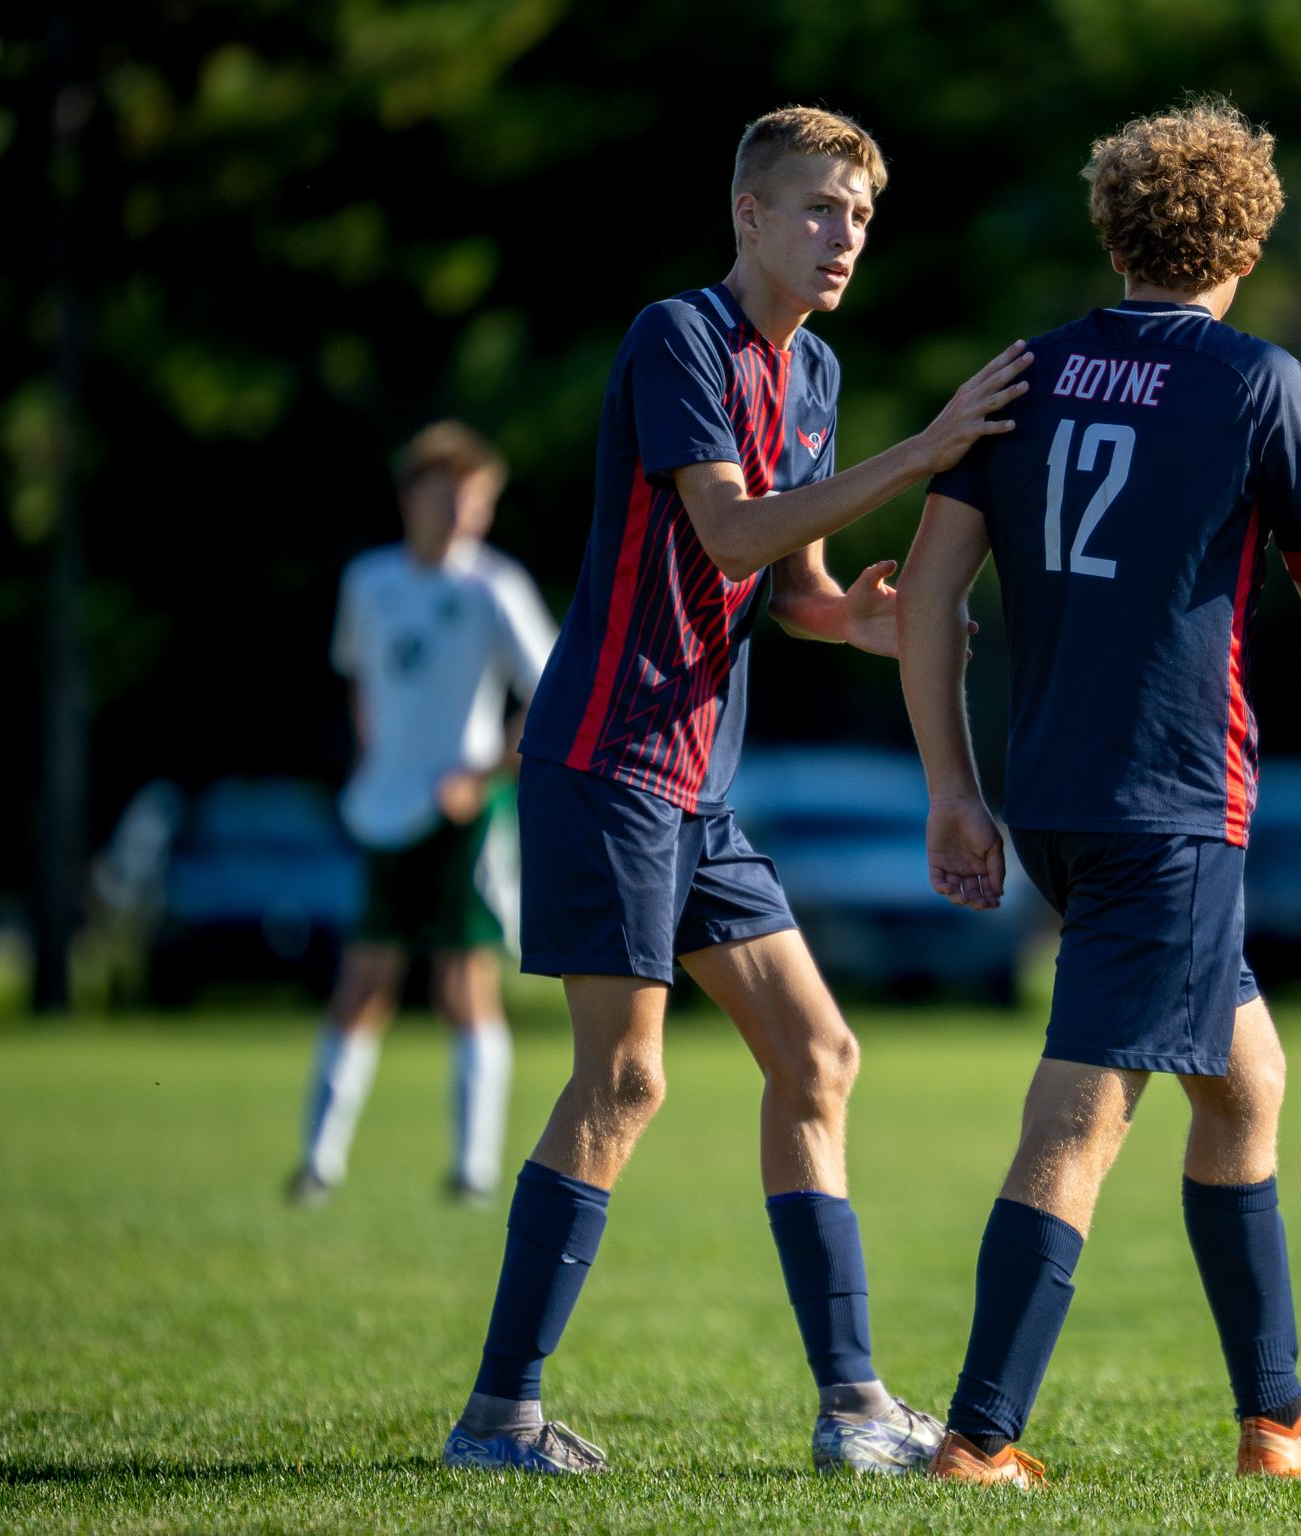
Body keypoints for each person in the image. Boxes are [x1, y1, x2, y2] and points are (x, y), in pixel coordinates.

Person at [439, 106, 1031, 1477]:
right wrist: (929, 453)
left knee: (819, 1058)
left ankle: (854, 1410)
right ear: (749, 216)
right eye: (820, 209)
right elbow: (728, 527)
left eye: (862, 219)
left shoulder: (813, 372)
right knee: (627, 1079)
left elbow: (787, 585)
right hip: (605, 760)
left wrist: (860, 623)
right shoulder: (678, 339)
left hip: (696, 782)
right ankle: (500, 1418)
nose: (844, 239)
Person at [897, 99, 1301, 1486]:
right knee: (1082, 1121)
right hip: (1171, 806)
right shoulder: (1255, 382)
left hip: (1056, 801)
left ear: (1113, 228)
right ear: (1246, 235)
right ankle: (980, 1441)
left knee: (1247, 1085)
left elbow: (935, 592)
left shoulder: (1025, 374)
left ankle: (1281, 1420)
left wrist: (954, 788)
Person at [292, 421, 558, 1206]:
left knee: (462, 986)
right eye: (449, 498)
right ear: (413, 496)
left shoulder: (493, 586)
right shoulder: (368, 583)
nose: (463, 516)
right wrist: (380, 764)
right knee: (363, 983)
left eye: (476, 503)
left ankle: (473, 1171)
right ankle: (318, 1163)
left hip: (463, 815)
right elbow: (359, 679)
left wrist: (484, 776)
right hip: (384, 810)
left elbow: (549, 692)